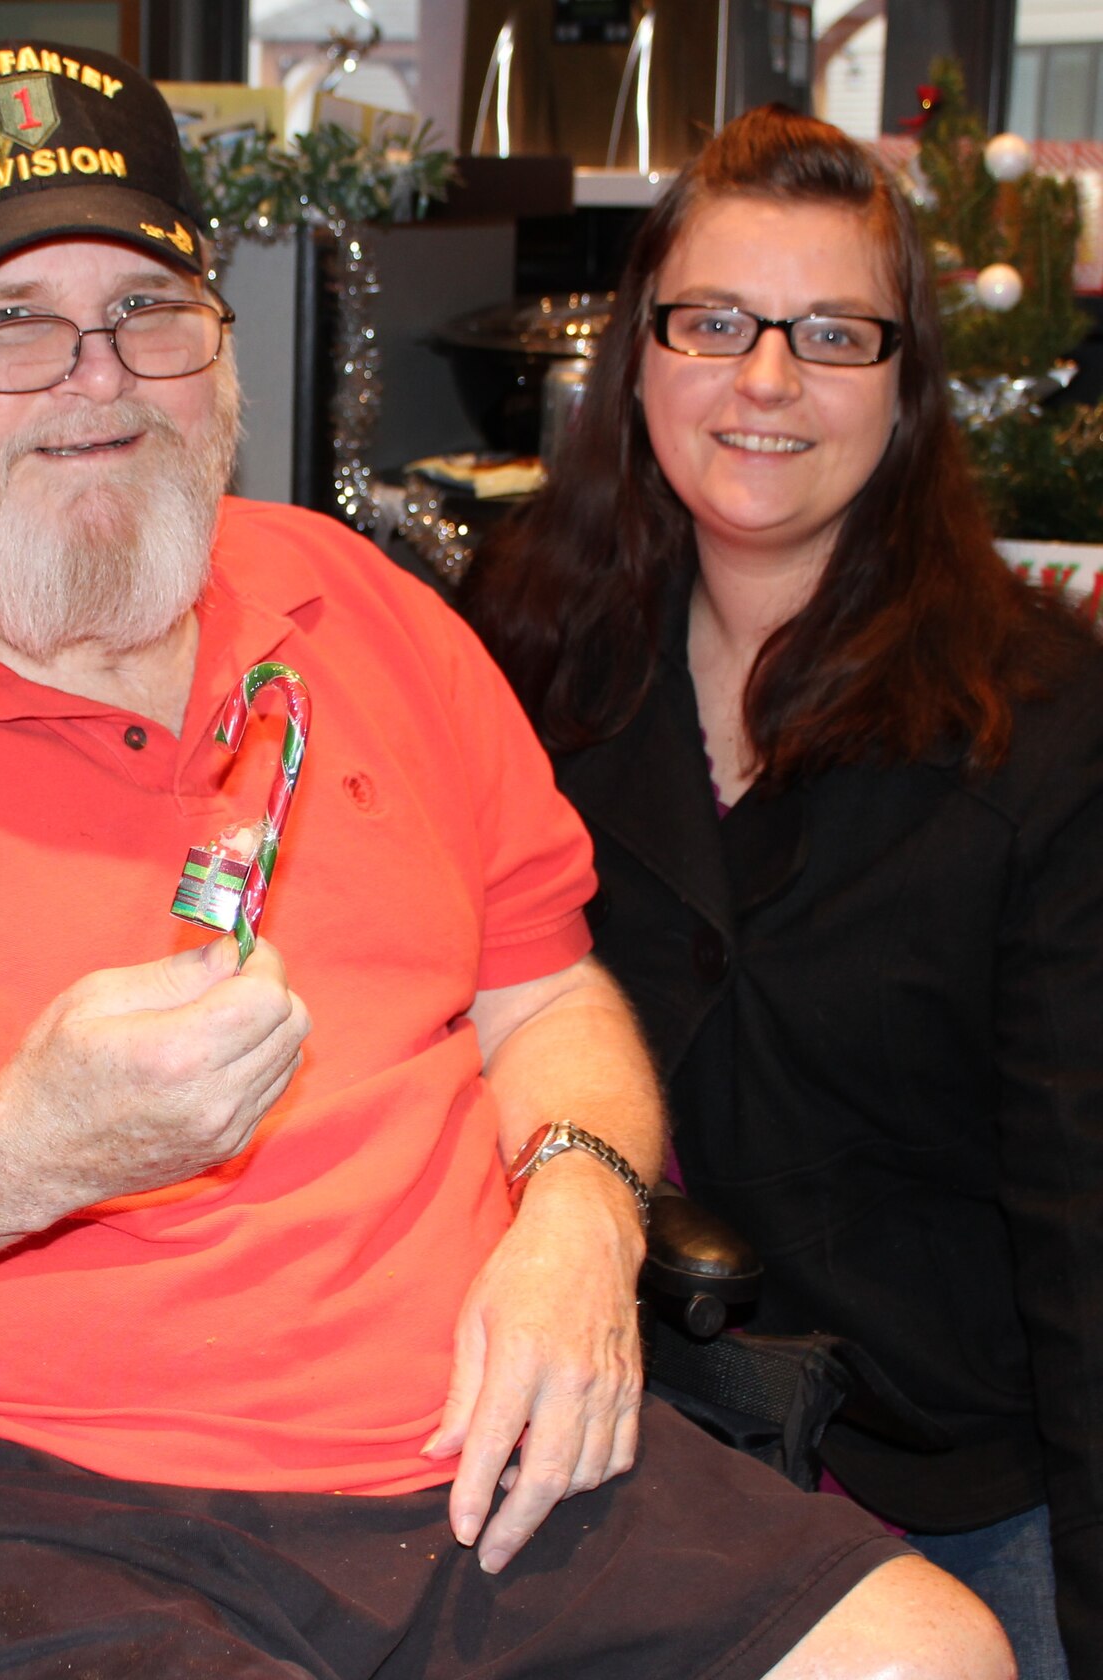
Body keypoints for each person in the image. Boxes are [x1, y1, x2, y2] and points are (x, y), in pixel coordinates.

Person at [0, 47, 1009, 1680]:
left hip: (477, 1455)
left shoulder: (361, 609)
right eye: (12, 323)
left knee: (929, 1653)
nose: (97, 381)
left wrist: (580, 1217)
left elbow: (548, 993)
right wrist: (22, 1150)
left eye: (149, 311)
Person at [464, 106, 1101, 1679]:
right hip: (599, 1438)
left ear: (906, 384)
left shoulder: (1043, 728)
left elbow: (1084, 1226)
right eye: (715, 323)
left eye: (831, 333)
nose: (765, 379)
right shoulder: (518, 651)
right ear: (640, 356)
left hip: (934, 1479)